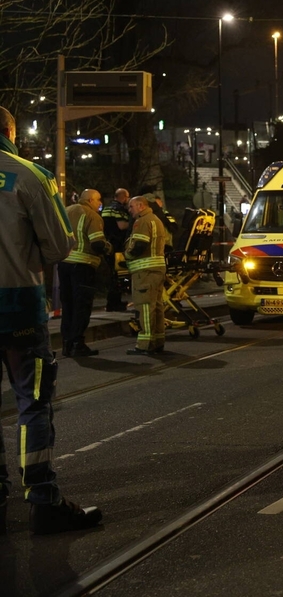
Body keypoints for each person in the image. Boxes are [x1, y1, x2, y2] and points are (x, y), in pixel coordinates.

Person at [0, 105, 103, 535]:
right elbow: (60, 244)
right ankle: (43, 499)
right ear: (10, 131)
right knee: (33, 402)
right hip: (18, 305)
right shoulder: (28, 175)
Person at [59, 189, 112, 357]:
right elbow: (97, 244)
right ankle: (77, 344)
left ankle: (67, 343)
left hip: (64, 264)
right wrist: (109, 248)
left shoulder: (66, 210)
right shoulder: (92, 215)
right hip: (83, 265)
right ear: (90, 200)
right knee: (82, 306)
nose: (100, 203)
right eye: (98, 200)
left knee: (68, 305)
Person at [125, 195, 168, 355]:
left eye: (131, 207)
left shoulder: (142, 221)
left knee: (145, 307)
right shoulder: (155, 219)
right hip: (157, 269)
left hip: (145, 271)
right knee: (156, 306)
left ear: (141, 206)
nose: (129, 210)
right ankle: (158, 340)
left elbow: (139, 245)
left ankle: (145, 344)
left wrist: (127, 257)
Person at [101, 187, 132, 311]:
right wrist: (135, 222)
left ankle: (113, 302)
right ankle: (114, 303)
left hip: (107, 245)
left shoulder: (106, 208)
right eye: (127, 197)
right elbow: (122, 225)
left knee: (113, 275)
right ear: (123, 197)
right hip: (117, 247)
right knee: (118, 276)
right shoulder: (119, 209)